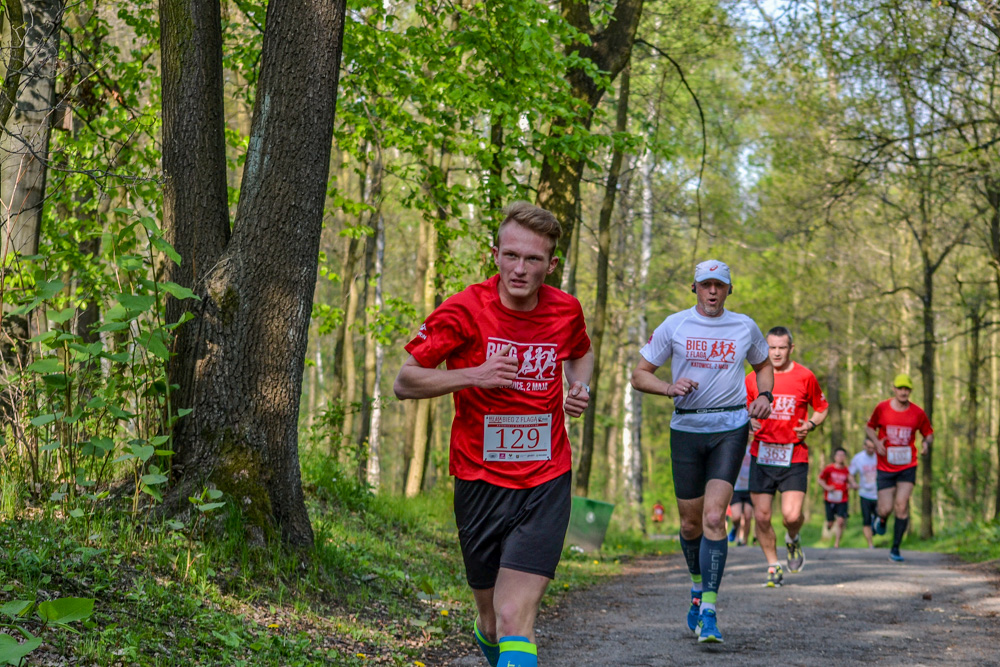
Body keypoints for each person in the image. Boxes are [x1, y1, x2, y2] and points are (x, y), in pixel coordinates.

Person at [393, 202, 594, 667]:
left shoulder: (566, 310)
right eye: (510, 256)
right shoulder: (463, 310)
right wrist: (475, 375)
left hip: (546, 478)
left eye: (533, 260)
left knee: (512, 614)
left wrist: (578, 387)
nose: (519, 269)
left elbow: (580, 352)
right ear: (495, 253)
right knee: (489, 620)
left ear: (552, 264)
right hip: (479, 478)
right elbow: (405, 381)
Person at [630, 260, 773, 644]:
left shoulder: (744, 325)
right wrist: (668, 389)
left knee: (714, 517)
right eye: (705, 285)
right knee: (690, 524)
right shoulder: (674, 324)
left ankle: (709, 610)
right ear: (694, 287)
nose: (712, 292)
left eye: (719, 286)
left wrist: (764, 395)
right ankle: (696, 588)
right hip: (687, 429)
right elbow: (639, 374)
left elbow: (763, 365)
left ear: (729, 290)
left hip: (730, 426)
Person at [745, 327, 828, 587]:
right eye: (772, 347)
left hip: (794, 455)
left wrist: (811, 425)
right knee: (761, 516)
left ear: (791, 348)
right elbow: (742, 410)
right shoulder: (752, 378)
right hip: (762, 454)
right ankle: (772, 564)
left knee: (791, 516)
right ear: (764, 348)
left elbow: (822, 407)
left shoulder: (806, 376)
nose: (777, 352)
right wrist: (749, 422)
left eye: (782, 347)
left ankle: (793, 539)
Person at [865, 373, 934, 563]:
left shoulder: (918, 413)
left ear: (910, 391)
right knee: (885, 508)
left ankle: (895, 548)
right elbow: (869, 427)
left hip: (907, 466)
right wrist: (876, 442)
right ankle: (881, 518)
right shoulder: (882, 408)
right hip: (885, 466)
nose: (903, 392)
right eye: (900, 388)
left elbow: (928, 433)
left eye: (907, 389)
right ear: (894, 389)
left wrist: (927, 443)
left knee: (901, 506)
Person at [818, 447, 856, 548]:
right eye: (838, 455)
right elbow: (820, 480)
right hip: (830, 499)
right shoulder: (829, 468)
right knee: (830, 522)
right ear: (835, 457)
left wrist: (853, 485)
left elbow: (852, 481)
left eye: (842, 455)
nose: (840, 457)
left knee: (840, 521)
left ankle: (837, 543)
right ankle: (830, 523)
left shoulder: (847, 470)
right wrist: (827, 487)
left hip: (843, 499)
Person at [849, 438, 879, 548]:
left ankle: (875, 525)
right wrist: (853, 483)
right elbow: (850, 474)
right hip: (864, 493)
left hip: (879, 494)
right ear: (864, 446)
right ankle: (870, 544)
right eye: (869, 447)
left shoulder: (879, 456)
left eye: (873, 448)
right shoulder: (858, 458)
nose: (871, 450)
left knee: (880, 516)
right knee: (866, 520)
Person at [728, 444, 753, 546]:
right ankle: (735, 528)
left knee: (747, 516)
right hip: (736, 488)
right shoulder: (735, 444)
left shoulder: (754, 447)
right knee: (736, 517)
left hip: (750, 488)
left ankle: (744, 541)